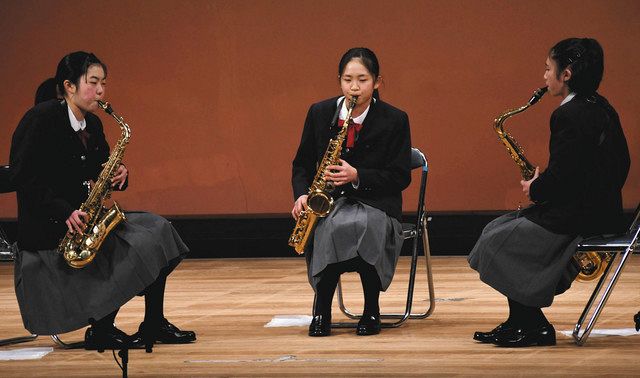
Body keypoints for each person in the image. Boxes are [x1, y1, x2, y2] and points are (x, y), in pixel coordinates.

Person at [9, 51, 196, 351]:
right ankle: (102, 329)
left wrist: (118, 173)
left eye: (103, 84)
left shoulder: (92, 125)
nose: (100, 91)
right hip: (51, 231)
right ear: (69, 86)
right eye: (92, 82)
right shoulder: (40, 120)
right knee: (136, 245)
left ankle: (154, 321)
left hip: (83, 219)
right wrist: (64, 211)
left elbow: (100, 168)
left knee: (159, 229)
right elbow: (23, 178)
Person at [468, 38, 630, 347]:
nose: (544, 76)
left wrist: (535, 187)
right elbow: (610, 164)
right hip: (599, 209)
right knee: (498, 230)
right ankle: (519, 321)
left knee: (497, 240)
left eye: (547, 69)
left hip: (579, 214)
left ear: (566, 74)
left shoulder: (568, 115)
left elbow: (565, 179)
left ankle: (533, 325)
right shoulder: (599, 104)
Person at [291, 47, 412, 336]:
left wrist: (358, 176)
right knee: (328, 227)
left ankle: (371, 310)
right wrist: (302, 194)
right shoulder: (320, 113)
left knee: (365, 226)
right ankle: (321, 309)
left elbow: (400, 176)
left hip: (376, 202)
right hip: (330, 201)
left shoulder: (395, 119)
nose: (354, 87)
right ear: (339, 80)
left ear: (377, 82)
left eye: (362, 80)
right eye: (347, 80)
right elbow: (302, 163)